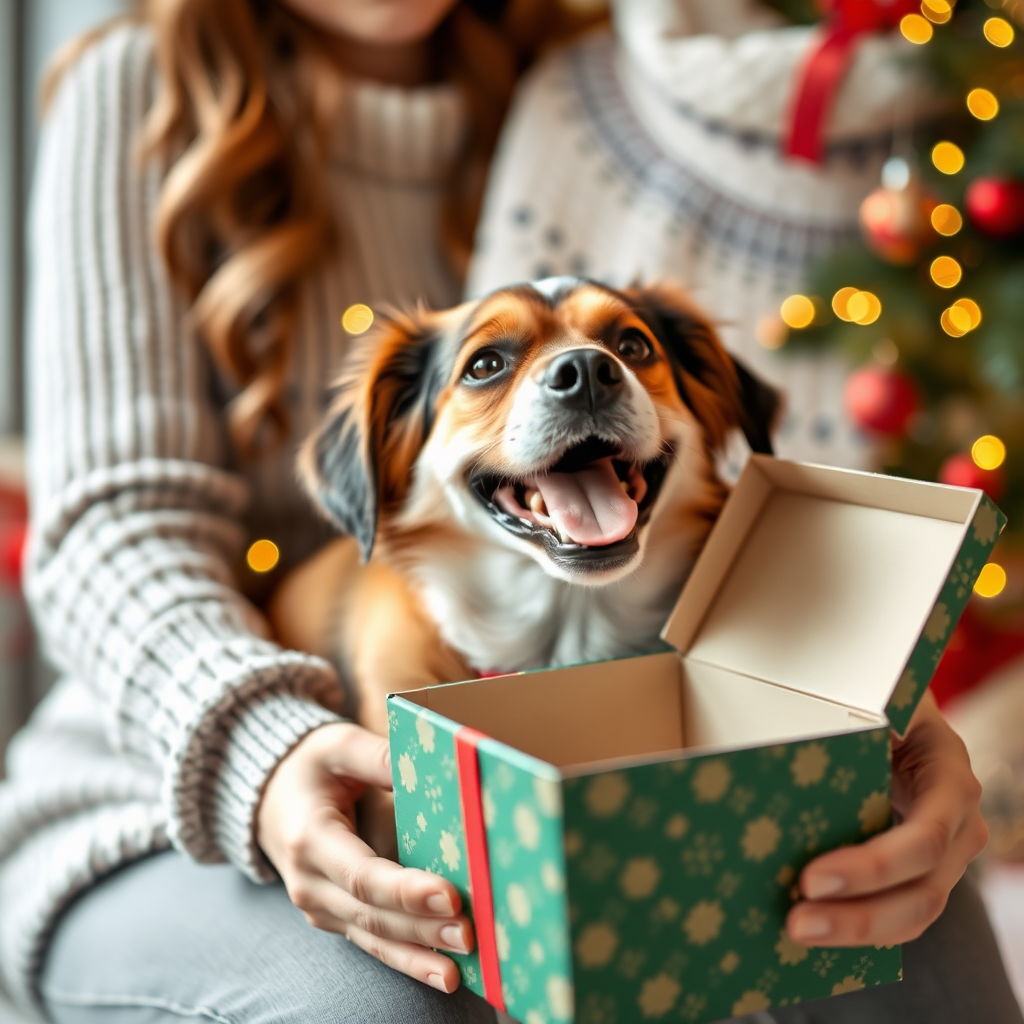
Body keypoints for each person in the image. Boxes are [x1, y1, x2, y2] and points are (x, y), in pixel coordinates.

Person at [0, 1, 588, 1021]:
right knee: (396, 997)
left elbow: (717, 471)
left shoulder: (591, 90)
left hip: (551, 766)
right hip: (158, 790)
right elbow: (115, 530)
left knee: (881, 909)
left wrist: (855, 720)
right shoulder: (138, 92)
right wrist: (259, 753)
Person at [467, 2, 1024, 1022]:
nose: (577, 369)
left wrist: (869, 704)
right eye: (492, 362)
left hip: (721, 673)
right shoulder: (562, 104)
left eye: (626, 347)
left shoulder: (533, 49)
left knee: (913, 921)